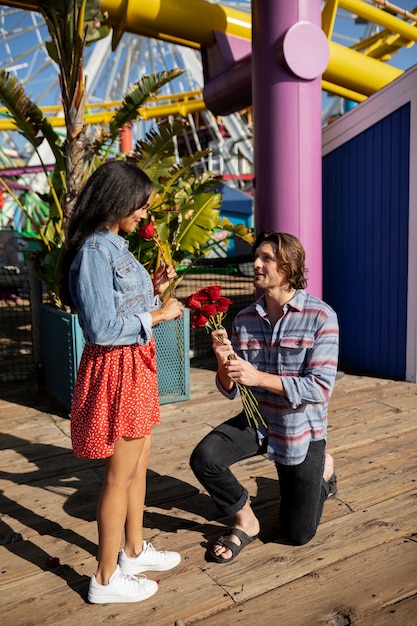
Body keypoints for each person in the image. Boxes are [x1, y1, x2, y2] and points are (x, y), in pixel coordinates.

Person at [60, 160, 184, 603]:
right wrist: (158, 313)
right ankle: (106, 579)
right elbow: (101, 329)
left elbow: (119, 306)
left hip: (134, 365)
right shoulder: (95, 251)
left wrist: (152, 288)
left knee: (138, 461)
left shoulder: (115, 244)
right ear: (118, 200)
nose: (145, 216)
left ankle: (132, 550)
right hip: (116, 369)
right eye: (142, 207)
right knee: (118, 475)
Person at [190, 231, 339, 563]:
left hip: (300, 429)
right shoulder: (244, 320)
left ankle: (324, 474)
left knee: (298, 533)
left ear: (288, 265)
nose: (256, 264)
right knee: (205, 457)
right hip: (258, 420)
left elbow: (319, 388)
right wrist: (222, 360)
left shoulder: (321, 317)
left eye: (266, 258)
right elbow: (232, 391)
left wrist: (259, 377)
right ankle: (246, 519)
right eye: (255, 257)